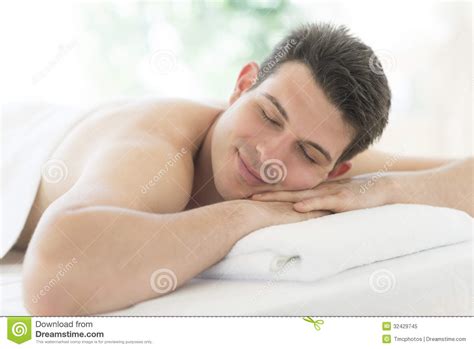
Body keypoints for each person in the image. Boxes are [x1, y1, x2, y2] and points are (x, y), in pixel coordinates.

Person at [21, 23, 472, 315]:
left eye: (309, 154)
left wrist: (380, 188)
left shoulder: (322, 164)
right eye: (269, 115)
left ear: (336, 170)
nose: (272, 157)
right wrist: (246, 216)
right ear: (240, 86)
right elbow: (52, 282)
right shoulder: (155, 147)